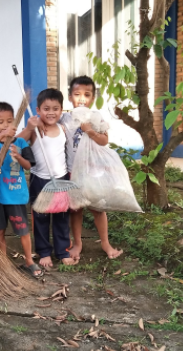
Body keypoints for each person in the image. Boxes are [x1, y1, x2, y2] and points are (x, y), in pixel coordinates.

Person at [60, 76, 123, 259]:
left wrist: (89, 130)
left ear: (93, 98)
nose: (82, 98)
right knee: (76, 209)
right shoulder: (64, 118)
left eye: (87, 95)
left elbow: (104, 141)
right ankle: (78, 243)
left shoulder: (95, 117)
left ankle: (105, 243)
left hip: (93, 171)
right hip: (73, 171)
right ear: (70, 97)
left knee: (98, 208)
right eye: (77, 94)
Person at [0, 102, 43, 278]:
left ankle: (29, 260)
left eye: (9, 121)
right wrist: (0, 137)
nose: (6, 125)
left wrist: (18, 156)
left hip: (15, 195)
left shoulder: (21, 142)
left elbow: (29, 166)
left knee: (22, 229)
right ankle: (2, 261)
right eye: (1, 122)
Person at [17, 89, 77, 268]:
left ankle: (62, 250)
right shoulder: (34, 129)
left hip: (61, 178)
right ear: (38, 110)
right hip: (40, 179)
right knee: (41, 217)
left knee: (61, 217)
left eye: (55, 108)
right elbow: (17, 142)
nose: (51, 112)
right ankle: (43, 252)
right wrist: (29, 127)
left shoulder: (62, 129)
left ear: (61, 110)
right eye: (46, 109)